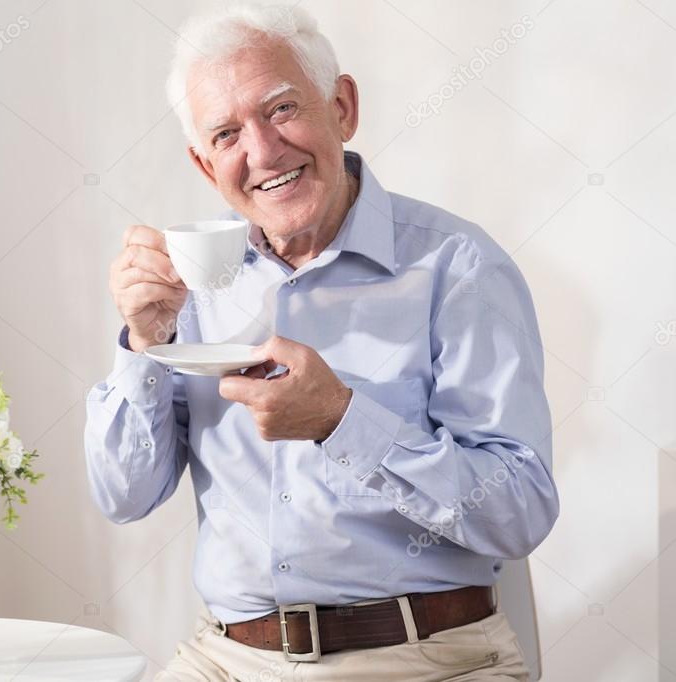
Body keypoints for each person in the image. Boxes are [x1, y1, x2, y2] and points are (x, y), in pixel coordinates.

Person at [85, 5, 560, 680]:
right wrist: (142, 339)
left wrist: (343, 420)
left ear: (341, 107)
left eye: (280, 109)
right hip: (226, 658)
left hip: (420, 658)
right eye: (225, 134)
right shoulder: (189, 283)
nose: (262, 151)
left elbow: (517, 514)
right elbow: (121, 496)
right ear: (203, 162)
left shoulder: (456, 267)